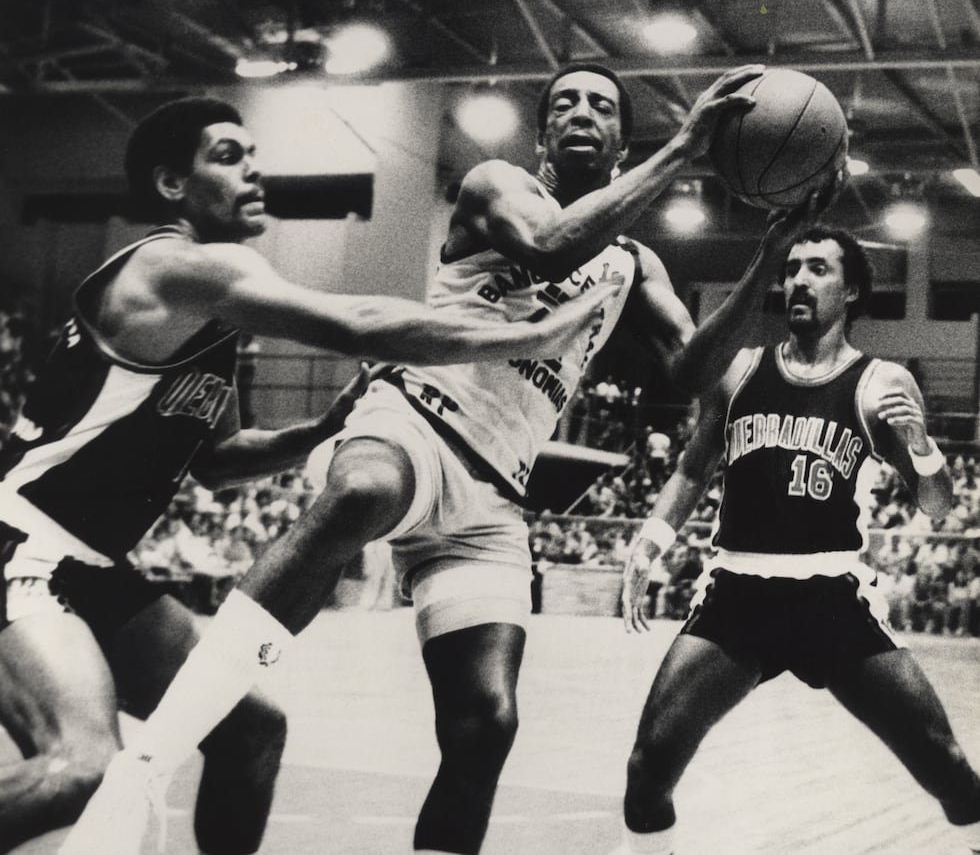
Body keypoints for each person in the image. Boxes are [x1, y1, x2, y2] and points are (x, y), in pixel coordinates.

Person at [63, 62, 833, 855]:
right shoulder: (498, 184)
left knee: (485, 725)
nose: (579, 111)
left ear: (616, 138)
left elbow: (690, 372)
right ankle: (151, 762)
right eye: (563, 101)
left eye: (599, 105)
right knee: (361, 491)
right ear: (542, 136)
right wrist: (686, 147)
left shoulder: (636, 264)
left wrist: (769, 256)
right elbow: (549, 250)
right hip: (415, 422)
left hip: (493, 495)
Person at [0, 95, 618, 855]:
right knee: (81, 766)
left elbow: (220, 466)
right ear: (170, 185)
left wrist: (321, 431)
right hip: (22, 544)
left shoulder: (210, 320)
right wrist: (525, 335)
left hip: (91, 566)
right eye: (227, 156)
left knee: (250, 731)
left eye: (253, 153)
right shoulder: (175, 266)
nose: (254, 167)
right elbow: (351, 321)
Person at [616, 225, 980, 855]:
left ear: (853, 290)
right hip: (737, 595)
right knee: (648, 768)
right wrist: (648, 545)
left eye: (819, 269)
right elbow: (692, 469)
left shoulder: (880, 383)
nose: (799, 281)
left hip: (830, 599)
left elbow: (939, 504)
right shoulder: (739, 371)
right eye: (792, 269)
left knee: (944, 762)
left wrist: (922, 449)